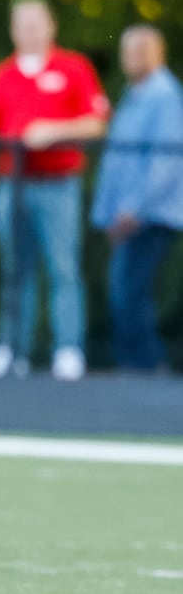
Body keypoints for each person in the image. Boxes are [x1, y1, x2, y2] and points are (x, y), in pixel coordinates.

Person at [0, 0, 109, 381]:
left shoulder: (74, 68)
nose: (29, 31)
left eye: (36, 23)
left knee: (63, 267)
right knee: (15, 269)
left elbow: (96, 122)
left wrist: (54, 131)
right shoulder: (3, 74)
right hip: (12, 185)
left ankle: (68, 349)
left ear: (50, 26)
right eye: (22, 24)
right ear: (13, 30)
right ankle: (13, 349)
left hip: (58, 184)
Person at [90, 24, 183, 372]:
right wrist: (108, 211)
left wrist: (134, 208)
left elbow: (165, 160)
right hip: (127, 214)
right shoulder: (136, 94)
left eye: (134, 51)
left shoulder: (164, 96)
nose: (127, 59)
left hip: (150, 215)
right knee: (126, 288)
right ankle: (135, 363)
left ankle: (145, 365)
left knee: (132, 289)